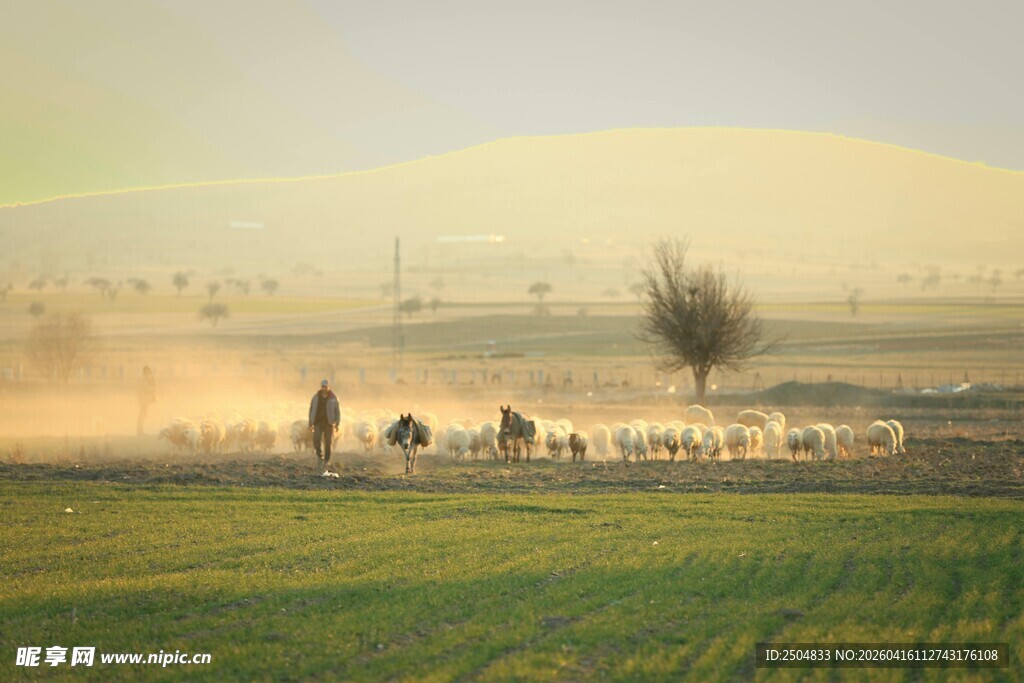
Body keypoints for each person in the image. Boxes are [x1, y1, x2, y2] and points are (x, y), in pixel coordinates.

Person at [308, 378, 340, 470]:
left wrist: (337, 423)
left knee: (328, 442)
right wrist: (310, 422)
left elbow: (337, 411)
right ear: (321, 387)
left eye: (325, 387)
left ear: (328, 387)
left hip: (329, 423)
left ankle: (327, 460)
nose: (324, 388)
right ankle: (319, 456)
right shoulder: (316, 397)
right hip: (318, 422)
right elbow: (311, 410)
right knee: (316, 440)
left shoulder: (333, 398)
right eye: (322, 386)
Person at [137, 366, 156, 435]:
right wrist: (153, 388)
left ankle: (140, 430)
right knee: (142, 415)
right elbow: (146, 388)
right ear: (146, 371)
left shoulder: (143, 378)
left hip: (143, 399)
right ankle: (140, 431)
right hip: (143, 400)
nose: (149, 373)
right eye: (148, 371)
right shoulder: (143, 378)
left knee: (143, 415)